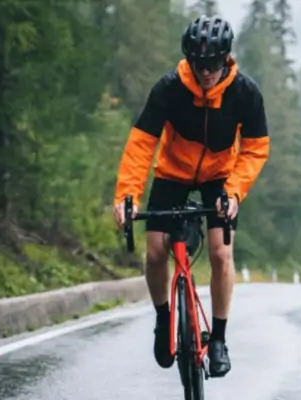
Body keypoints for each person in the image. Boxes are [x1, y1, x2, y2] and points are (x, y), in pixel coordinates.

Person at [112, 15, 270, 378]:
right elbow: (141, 145)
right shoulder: (169, 88)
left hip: (220, 177)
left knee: (220, 252)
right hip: (172, 173)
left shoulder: (244, 93)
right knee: (154, 251)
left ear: (226, 59)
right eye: (199, 64)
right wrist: (127, 195)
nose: (206, 71)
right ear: (189, 60)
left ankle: (218, 339)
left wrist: (234, 192)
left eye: (214, 63)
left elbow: (256, 148)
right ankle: (164, 318)